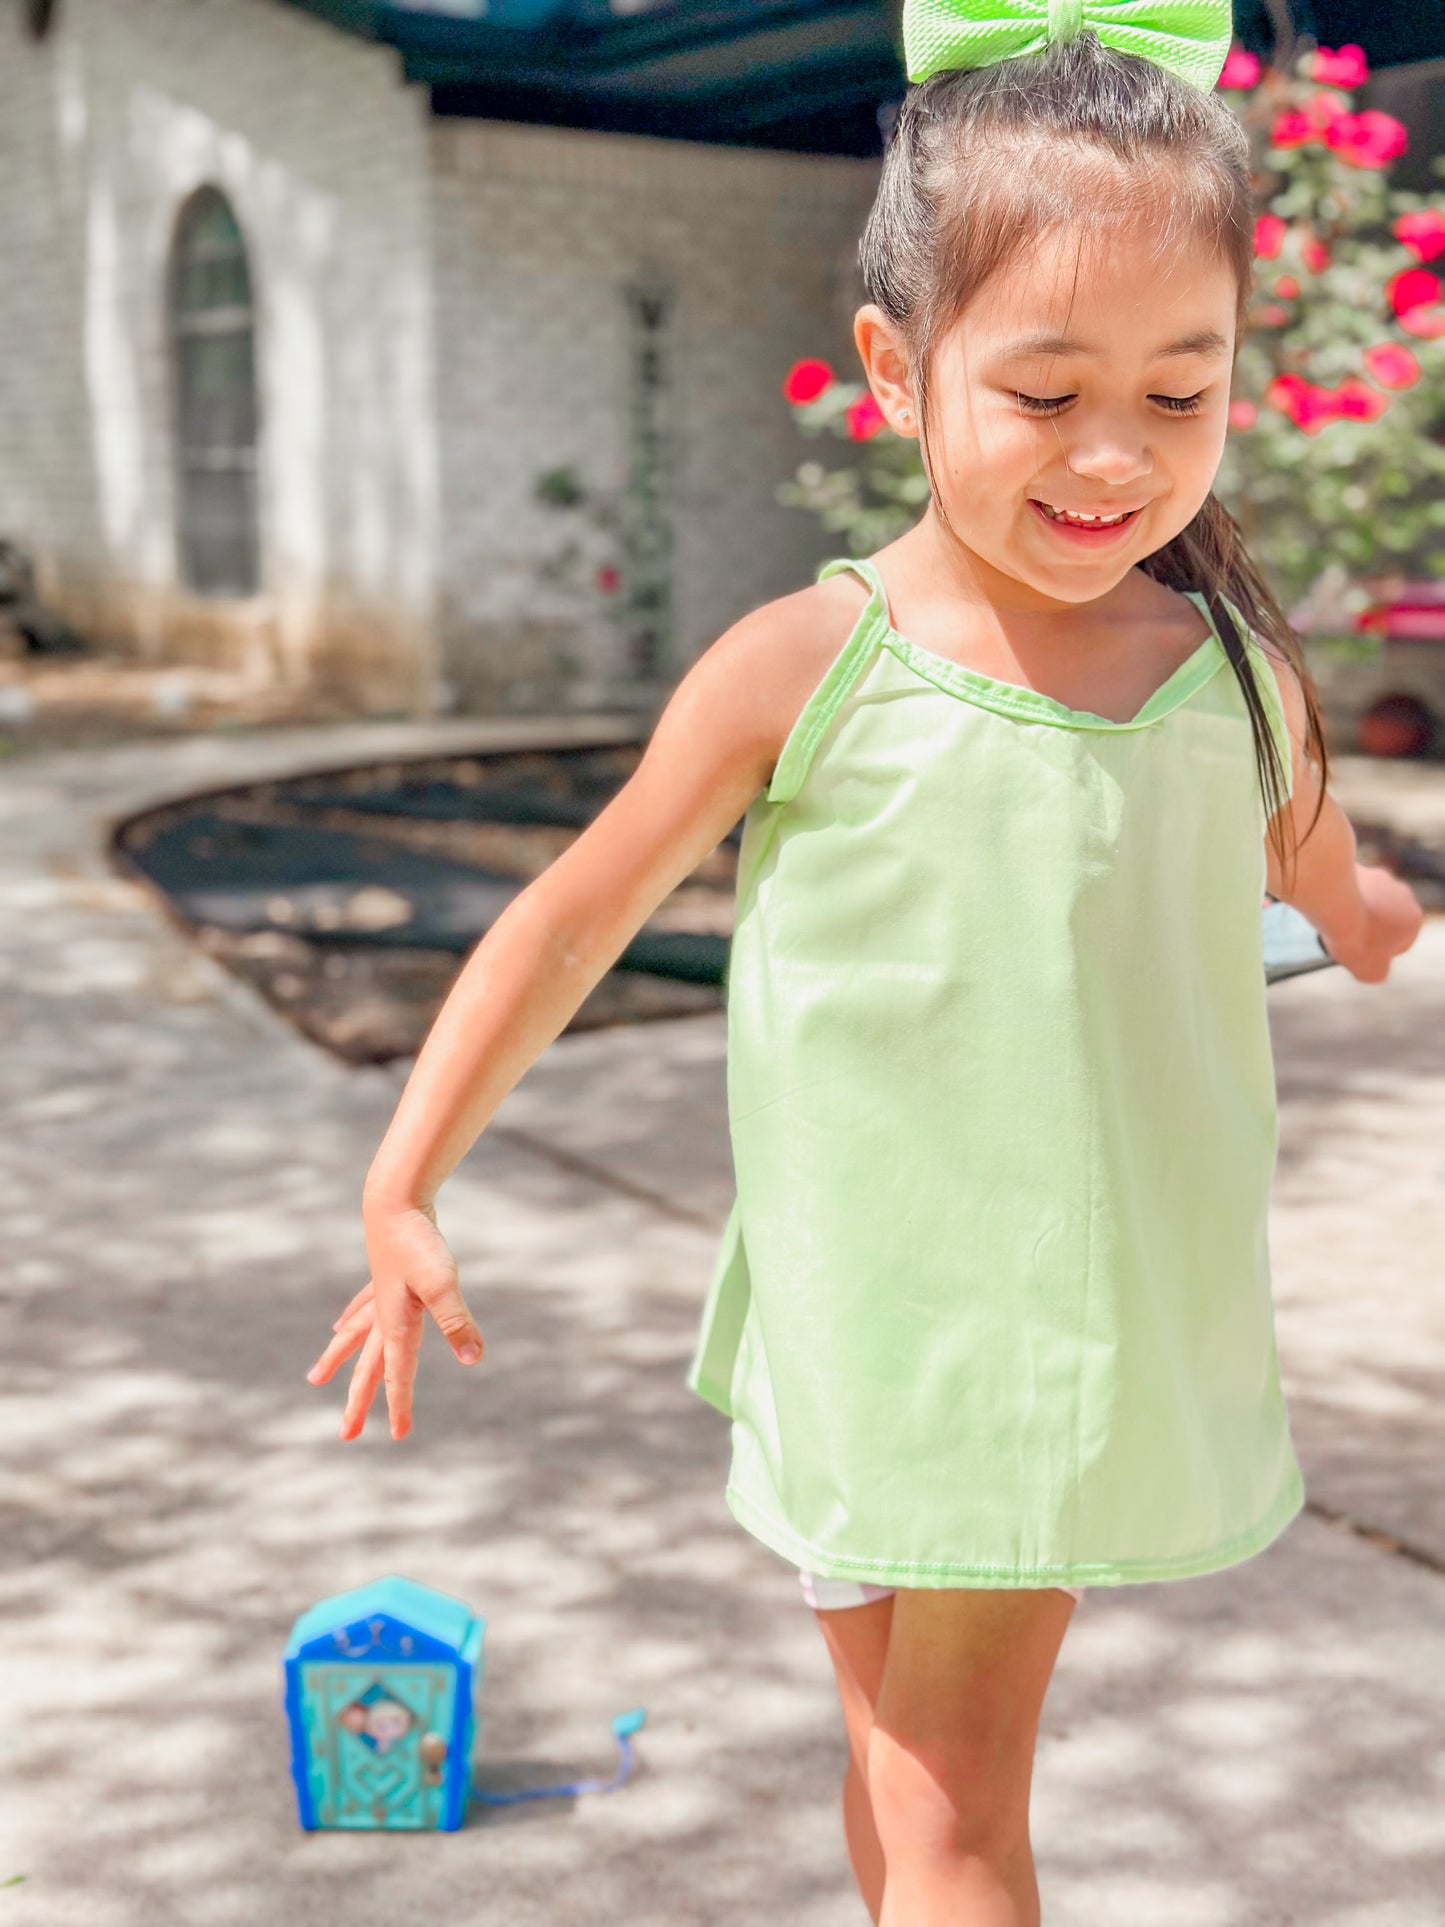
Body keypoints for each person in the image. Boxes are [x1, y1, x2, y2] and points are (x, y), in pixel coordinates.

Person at [306, 2, 1426, 1918]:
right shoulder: (803, 663)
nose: (1114, 456)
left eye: (1180, 391)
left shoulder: (1220, 679)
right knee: (893, 1779)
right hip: (847, 1329)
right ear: (898, 373)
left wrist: (1372, 916)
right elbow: (572, 914)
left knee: (944, 1802)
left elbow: (1328, 878)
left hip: (1043, 1340)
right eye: (1045, 390)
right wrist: (401, 1180)